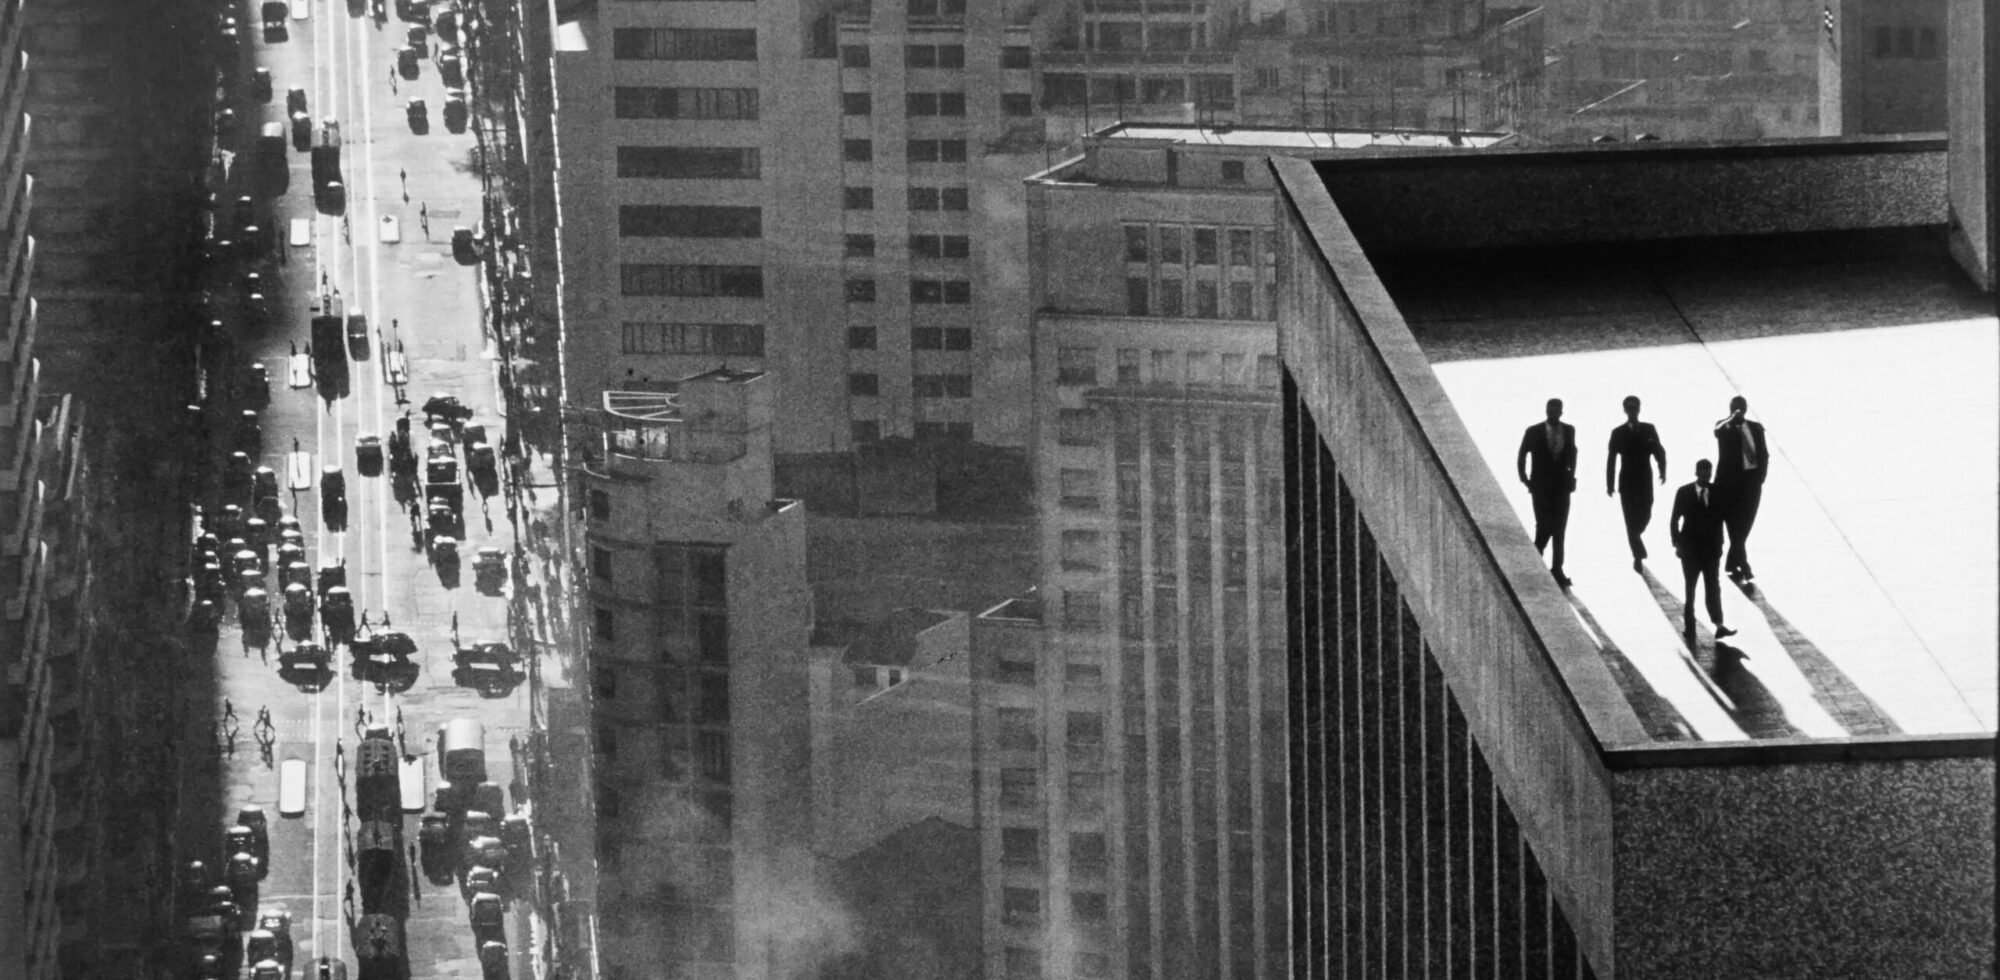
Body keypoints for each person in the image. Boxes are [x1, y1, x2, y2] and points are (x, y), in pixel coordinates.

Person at [1669, 459, 1736, 639]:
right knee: (1690, 588)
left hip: (1711, 550)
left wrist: (1722, 544)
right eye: (1704, 474)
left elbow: (1724, 518)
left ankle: (1719, 624)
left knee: (1713, 586)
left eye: (1710, 474)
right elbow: (1674, 519)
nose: (1708, 477)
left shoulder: (1718, 492)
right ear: (1697, 473)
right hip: (1690, 550)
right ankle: (1689, 626)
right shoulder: (1683, 493)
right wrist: (1677, 544)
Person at [1516, 397, 1578, 586]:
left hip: (1561, 488)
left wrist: (1571, 476)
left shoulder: (1569, 430)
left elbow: (1573, 454)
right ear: (1546, 411)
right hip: (1540, 488)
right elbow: (1522, 455)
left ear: (1561, 412)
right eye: (1550, 410)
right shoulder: (1533, 431)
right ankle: (1535, 557)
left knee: (1559, 529)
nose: (1553, 414)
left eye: (1556, 410)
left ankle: (1557, 568)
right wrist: (1526, 480)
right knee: (1544, 524)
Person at [1605, 395, 1667, 570]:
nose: (1632, 411)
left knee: (1645, 514)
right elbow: (1611, 459)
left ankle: (1636, 537)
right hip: (1626, 482)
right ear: (1625, 410)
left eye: (1635, 408)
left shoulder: (1649, 429)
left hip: (1645, 479)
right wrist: (1609, 483)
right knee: (1630, 519)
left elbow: (1659, 451)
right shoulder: (1618, 432)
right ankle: (1637, 555)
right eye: (1629, 408)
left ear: (1639, 409)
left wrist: (1663, 470)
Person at [1712, 395, 1769, 581]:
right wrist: (1732, 419)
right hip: (1728, 485)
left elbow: (1764, 454)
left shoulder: (1756, 428)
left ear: (1745, 408)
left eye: (1740, 408)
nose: (1737, 411)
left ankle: (1732, 562)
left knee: (1745, 525)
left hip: (1751, 483)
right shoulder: (1724, 426)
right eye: (1733, 408)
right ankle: (1743, 564)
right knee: (1734, 526)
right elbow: (1717, 430)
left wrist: (1760, 477)